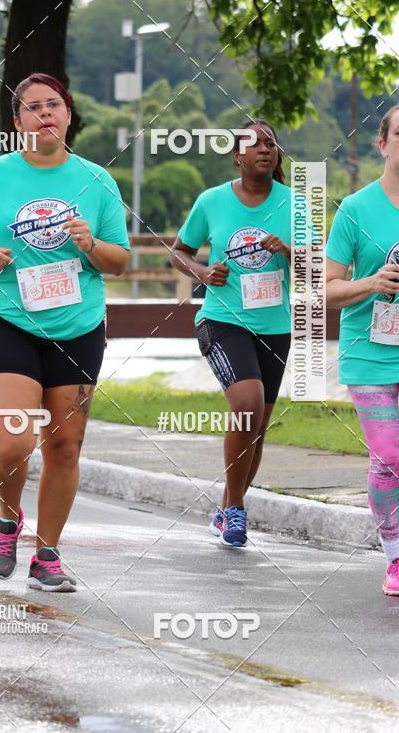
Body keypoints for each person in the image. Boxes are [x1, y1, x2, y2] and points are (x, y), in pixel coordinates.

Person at [0, 73, 130, 592]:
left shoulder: (97, 181)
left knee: (64, 446)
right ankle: (8, 519)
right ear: (17, 120)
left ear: (68, 114)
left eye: (54, 104)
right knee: (12, 444)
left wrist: (90, 245)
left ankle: (47, 556)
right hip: (5, 319)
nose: (45, 113)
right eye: (33, 107)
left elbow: (118, 262)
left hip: (78, 325)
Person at [171, 120, 292, 548]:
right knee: (247, 404)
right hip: (223, 320)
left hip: (275, 326)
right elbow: (179, 252)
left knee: (257, 425)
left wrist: (287, 250)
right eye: (254, 144)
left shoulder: (294, 204)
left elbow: (318, 265)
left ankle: (226, 509)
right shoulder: (212, 201)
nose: (264, 149)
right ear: (237, 156)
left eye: (271, 143)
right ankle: (237, 509)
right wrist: (203, 272)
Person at [326, 105, 399, 597]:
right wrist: (372, 282)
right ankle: (395, 556)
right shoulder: (355, 209)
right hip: (369, 352)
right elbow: (327, 288)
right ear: (383, 143)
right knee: (390, 456)